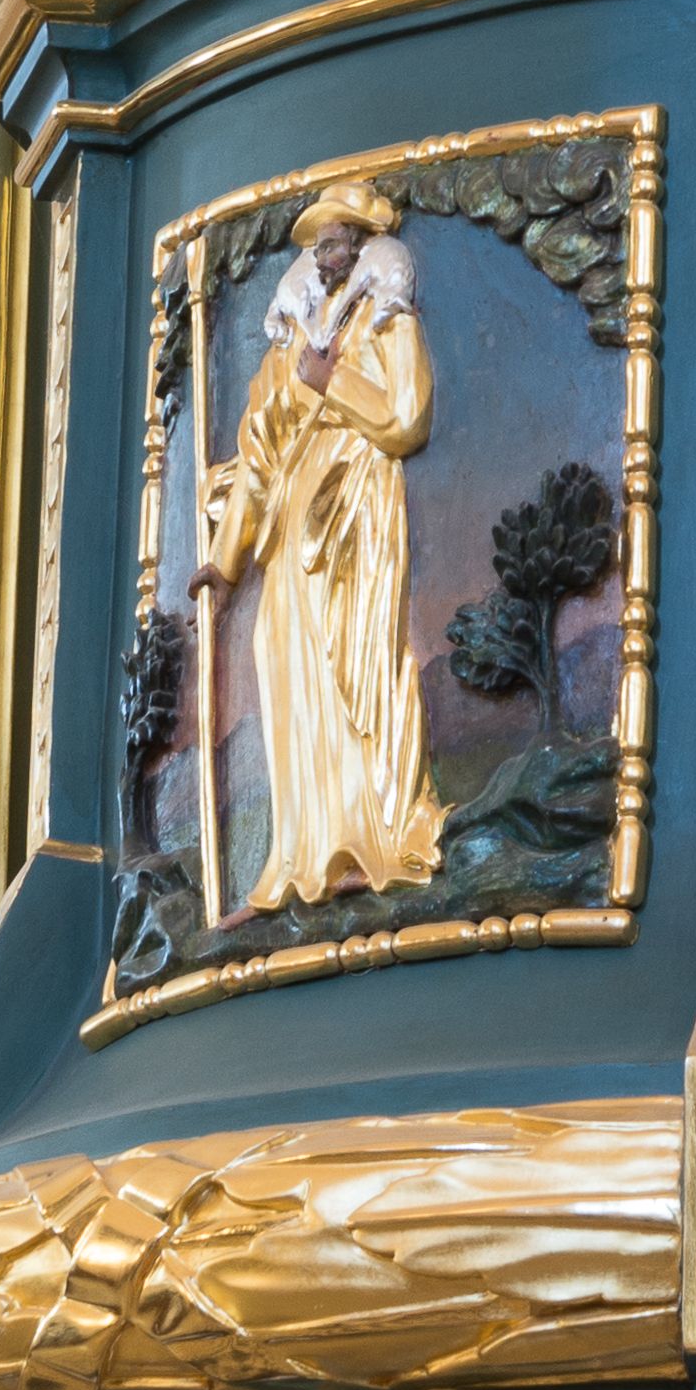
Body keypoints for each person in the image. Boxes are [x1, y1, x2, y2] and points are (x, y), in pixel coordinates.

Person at [205, 172, 441, 914]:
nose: (329, 255)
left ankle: (375, 840)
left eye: (340, 242)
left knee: (359, 663)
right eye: (321, 246)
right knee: (285, 664)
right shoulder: (292, 343)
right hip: (290, 536)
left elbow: (407, 417)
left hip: (356, 508)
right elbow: (259, 450)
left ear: (363, 248)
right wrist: (224, 560)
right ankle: (303, 855)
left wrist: (332, 384)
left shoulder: (386, 319)